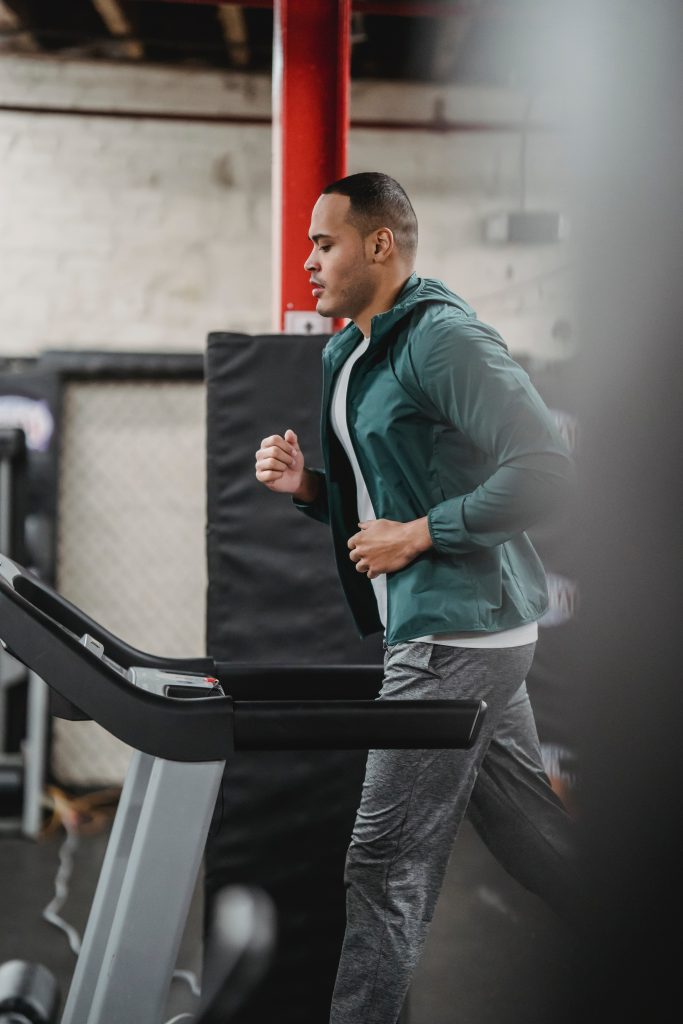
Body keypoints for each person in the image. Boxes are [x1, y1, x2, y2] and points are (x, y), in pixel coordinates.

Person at [255, 172, 575, 1024]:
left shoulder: (443, 340)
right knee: (537, 842)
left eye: (324, 243)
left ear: (379, 244)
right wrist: (309, 489)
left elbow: (545, 471)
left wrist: (422, 536)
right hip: (472, 634)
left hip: (452, 642)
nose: (308, 261)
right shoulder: (353, 345)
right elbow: (390, 495)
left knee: (382, 862)